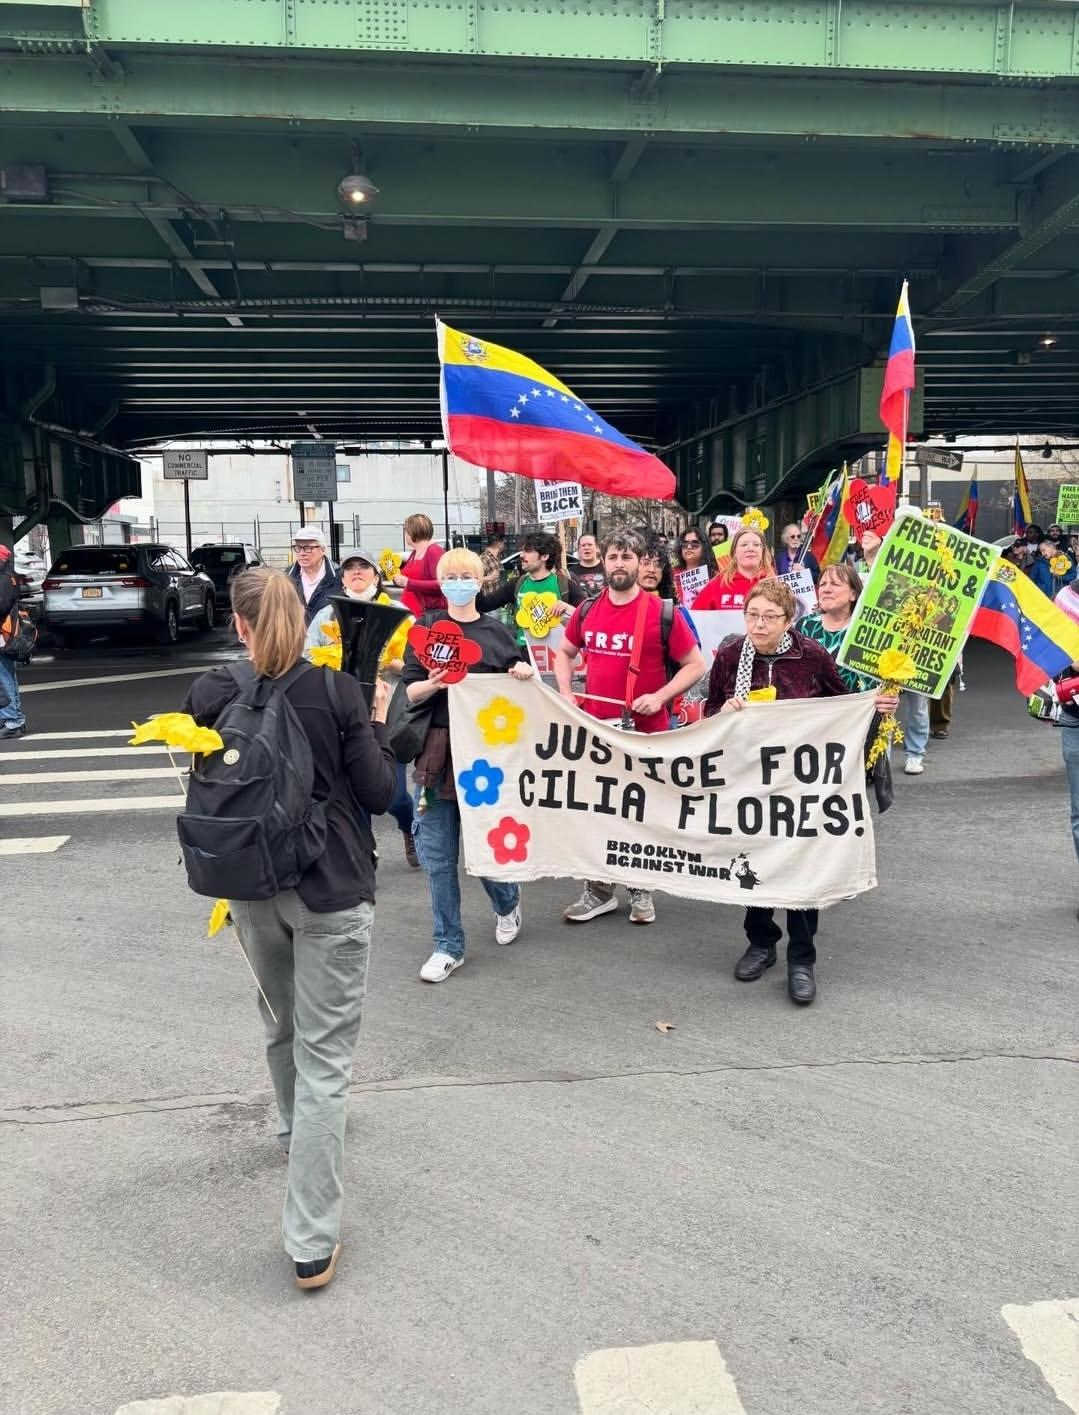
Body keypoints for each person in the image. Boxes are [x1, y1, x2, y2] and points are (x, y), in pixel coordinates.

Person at [184, 568, 397, 1291]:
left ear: (238, 625)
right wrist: (374, 717)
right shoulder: (335, 691)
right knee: (326, 1059)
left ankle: (289, 1129)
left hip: (249, 887)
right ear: (303, 621)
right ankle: (310, 1237)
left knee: (280, 1026)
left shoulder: (211, 693)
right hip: (330, 889)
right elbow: (377, 792)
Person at [704, 579, 896, 1005]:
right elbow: (708, 709)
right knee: (753, 863)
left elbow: (842, 706)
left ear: (789, 620)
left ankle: (801, 958)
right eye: (752, 615)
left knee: (801, 867)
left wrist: (876, 705)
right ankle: (761, 943)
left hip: (802, 786)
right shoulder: (731, 656)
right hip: (750, 780)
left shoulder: (811, 656)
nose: (758, 624)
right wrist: (723, 710)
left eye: (769, 617)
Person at [554, 531, 705, 926]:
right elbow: (563, 653)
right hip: (597, 728)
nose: (619, 563)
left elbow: (694, 664)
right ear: (603, 562)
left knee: (640, 810)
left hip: (646, 729)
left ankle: (641, 887)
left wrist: (660, 697)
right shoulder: (587, 609)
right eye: (613, 556)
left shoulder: (660, 611)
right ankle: (599, 889)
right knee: (596, 809)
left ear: (641, 563)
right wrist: (568, 693)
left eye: (626, 556)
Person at [402, 548, 534, 983]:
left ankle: (506, 900)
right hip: (435, 757)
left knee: (484, 850)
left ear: (481, 582)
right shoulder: (425, 629)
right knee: (438, 858)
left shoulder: (496, 633)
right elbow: (407, 690)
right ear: (440, 582)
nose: (459, 581)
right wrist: (431, 683)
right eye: (451, 575)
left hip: (485, 762)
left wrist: (518, 672)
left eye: (467, 575)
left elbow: (519, 683)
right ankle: (448, 945)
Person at [305, 549, 418, 868]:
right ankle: (364, 846)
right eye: (350, 568)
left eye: (363, 567)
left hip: (388, 712)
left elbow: (416, 663)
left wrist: (388, 662)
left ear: (376, 576)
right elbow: (308, 657)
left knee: (393, 794)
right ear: (341, 579)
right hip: (343, 713)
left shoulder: (400, 613)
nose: (356, 572)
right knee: (357, 785)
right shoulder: (327, 616)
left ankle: (410, 827)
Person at [477, 529, 585, 636]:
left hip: (557, 651)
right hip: (524, 651)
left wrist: (570, 609)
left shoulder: (565, 585)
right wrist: (473, 581)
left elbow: (590, 616)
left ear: (544, 556)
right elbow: (484, 605)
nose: (521, 556)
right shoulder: (516, 584)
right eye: (522, 551)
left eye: (527, 551)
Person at [795, 563, 872, 692]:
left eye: (835, 584)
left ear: (853, 594)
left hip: (858, 709)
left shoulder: (866, 630)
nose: (826, 589)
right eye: (823, 584)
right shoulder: (804, 625)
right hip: (814, 708)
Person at [692, 527, 777, 612]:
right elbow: (693, 620)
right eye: (744, 545)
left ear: (763, 551)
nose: (751, 548)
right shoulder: (716, 585)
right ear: (734, 552)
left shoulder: (776, 585)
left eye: (756, 545)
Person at [393, 513, 445, 615]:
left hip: (426, 615)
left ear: (413, 531)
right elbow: (407, 581)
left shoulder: (433, 551)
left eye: (406, 531)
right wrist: (396, 577)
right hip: (411, 612)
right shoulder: (414, 553)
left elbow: (441, 584)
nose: (405, 534)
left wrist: (409, 583)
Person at [287, 526, 341, 625]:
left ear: (323, 549)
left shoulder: (339, 578)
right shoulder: (286, 578)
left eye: (308, 548)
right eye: (298, 548)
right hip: (295, 638)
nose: (302, 553)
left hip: (327, 639)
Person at [0, 545, 27, 740]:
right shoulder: (9, 576)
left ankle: (11, 720)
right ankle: (15, 718)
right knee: (7, 674)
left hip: (2, 632)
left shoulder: (2, 579)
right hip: (7, 631)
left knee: (3, 677)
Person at [671, 526, 717, 606]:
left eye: (694, 544)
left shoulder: (715, 576)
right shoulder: (671, 574)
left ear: (704, 547)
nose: (689, 547)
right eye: (684, 544)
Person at [573, 534, 606, 598]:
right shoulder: (570, 573)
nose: (586, 548)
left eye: (590, 545)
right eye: (583, 545)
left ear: (597, 548)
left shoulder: (607, 568)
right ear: (579, 549)